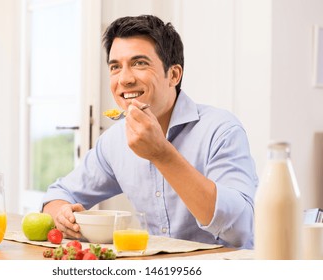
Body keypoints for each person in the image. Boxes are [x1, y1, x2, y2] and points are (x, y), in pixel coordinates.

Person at [42, 15, 258, 249]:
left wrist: (162, 154)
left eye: (139, 63)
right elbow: (58, 195)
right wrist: (62, 214)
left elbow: (240, 230)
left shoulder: (221, 130)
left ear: (174, 75)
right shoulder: (115, 141)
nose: (124, 79)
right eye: (115, 67)